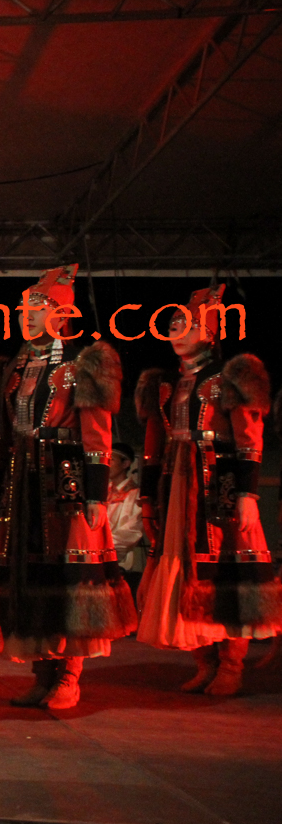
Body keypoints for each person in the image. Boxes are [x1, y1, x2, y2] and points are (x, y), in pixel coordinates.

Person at [0, 265, 136, 709]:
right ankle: (42, 670)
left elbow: (97, 435)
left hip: (66, 483)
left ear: (63, 314)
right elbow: (1, 440)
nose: (27, 314)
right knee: (30, 577)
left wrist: (95, 495)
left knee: (69, 578)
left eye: (38, 307)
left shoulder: (83, 364)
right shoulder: (12, 368)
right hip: (21, 484)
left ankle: (69, 674)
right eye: (23, 308)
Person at [135, 285, 278, 695]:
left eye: (187, 325)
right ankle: (205, 660)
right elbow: (152, 447)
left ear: (211, 332)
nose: (177, 332)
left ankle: (231, 665)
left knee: (228, 573)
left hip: (219, 485)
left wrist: (247, 494)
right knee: (185, 574)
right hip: (176, 487)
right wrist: (148, 500)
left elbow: (249, 438)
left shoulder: (230, 377)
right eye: (172, 325)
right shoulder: (163, 384)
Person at [105, 442, 145, 604]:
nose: (106, 464)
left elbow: (131, 531)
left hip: (119, 563)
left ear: (126, 464)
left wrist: (106, 550)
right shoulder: (103, 492)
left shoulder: (135, 494)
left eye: (111, 460)